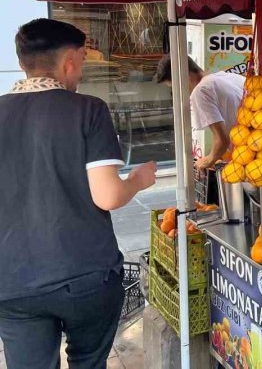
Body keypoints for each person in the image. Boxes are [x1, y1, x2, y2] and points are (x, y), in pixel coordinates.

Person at [0, 19, 157, 368]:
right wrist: (139, 180)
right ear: (69, 61)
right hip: (84, 276)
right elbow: (108, 195)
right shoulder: (87, 109)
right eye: (83, 62)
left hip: (12, 283)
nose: (82, 72)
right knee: (88, 361)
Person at [154, 55, 244, 171]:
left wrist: (207, 161)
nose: (178, 92)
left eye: (175, 87)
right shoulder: (227, 76)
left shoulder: (201, 91)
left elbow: (222, 140)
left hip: (250, 155)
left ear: (185, 77)